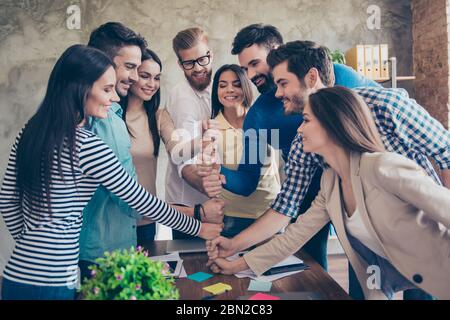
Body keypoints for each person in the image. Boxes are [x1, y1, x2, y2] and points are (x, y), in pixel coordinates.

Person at [207, 40, 450, 300]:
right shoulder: (323, 174)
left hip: (427, 248)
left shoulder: (386, 117)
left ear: (311, 77)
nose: (277, 94)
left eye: (283, 83)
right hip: (372, 253)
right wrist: (236, 253)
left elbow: (446, 153)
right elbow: (287, 212)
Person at [0, 45, 221, 300]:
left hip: (16, 274)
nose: (115, 98)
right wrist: (199, 227)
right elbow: (141, 201)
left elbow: (7, 202)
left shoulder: (31, 131)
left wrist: (33, 248)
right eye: (106, 90)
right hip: (54, 279)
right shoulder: (86, 144)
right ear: (80, 89)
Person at [198, 24, 380, 271]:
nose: (250, 75)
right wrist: (218, 172)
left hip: (366, 185)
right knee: (314, 262)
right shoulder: (260, 117)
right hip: (305, 188)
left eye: (254, 64)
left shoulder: (341, 79)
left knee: (374, 262)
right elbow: (252, 183)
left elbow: (388, 124)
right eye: (244, 68)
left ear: (277, 51)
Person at [121, 48, 225, 245]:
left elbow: (177, 152)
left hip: (147, 220)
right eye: (145, 76)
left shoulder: (159, 116)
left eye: (157, 78)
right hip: (115, 218)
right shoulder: (112, 118)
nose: (152, 84)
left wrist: (203, 139)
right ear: (133, 75)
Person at [202, 64, 280, 237]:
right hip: (232, 216)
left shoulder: (261, 118)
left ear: (246, 87)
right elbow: (211, 171)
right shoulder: (211, 128)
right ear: (216, 91)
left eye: (236, 84)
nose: (230, 90)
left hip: (270, 212)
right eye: (222, 85)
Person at [165, 27, 223, 239]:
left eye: (202, 59)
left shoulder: (220, 87)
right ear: (180, 64)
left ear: (211, 54)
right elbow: (184, 161)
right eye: (189, 63)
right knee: (193, 268)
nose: (198, 68)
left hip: (216, 202)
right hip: (189, 206)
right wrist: (209, 188)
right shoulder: (183, 98)